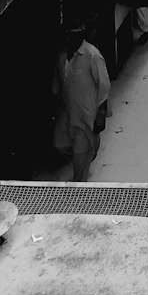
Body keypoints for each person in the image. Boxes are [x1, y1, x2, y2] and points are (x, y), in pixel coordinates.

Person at [52, 21, 111, 181]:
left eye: (73, 34)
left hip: (85, 116)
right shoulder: (62, 55)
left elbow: (104, 85)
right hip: (66, 114)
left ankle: (79, 191)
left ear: (80, 36)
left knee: (80, 160)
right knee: (59, 145)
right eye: (67, 34)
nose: (69, 38)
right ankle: (89, 151)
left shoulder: (92, 55)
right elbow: (57, 84)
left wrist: (101, 113)